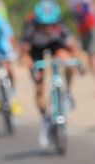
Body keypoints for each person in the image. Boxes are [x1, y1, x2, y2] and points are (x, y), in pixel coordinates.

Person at [21, 0, 81, 147]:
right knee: (39, 86)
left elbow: (73, 48)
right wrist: (31, 65)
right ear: (38, 22)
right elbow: (24, 54)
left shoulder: (61, 26)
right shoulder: (31, 27)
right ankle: (45, 120)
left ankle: (67, 93)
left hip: (55, 45)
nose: (48, 28)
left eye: (52, 25)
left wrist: (77, 62)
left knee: (67, 60)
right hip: (36, 49)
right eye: (44, 25)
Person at [68, 0, 95, 74]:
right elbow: (75, 17)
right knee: (89, 53)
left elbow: (92, 5)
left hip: (91, 25)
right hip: (82, 29)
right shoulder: (70, 2)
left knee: (92, 54)